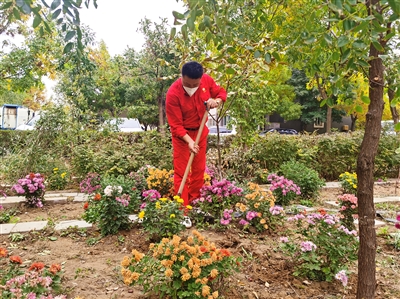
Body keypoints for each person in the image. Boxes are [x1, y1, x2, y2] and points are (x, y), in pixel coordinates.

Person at [166, 61, 227, 207]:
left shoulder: (206, 80)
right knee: (182, 172)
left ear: (201, 79)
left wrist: (216, 101)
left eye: (195, 85)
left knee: (199, 171)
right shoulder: (173, 94)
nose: (191, 88)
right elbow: (176, 126)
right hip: (182, 137)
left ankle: (195, 204)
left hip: (200, 134)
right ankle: (182, 209)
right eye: (188, 84)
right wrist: (189, 142)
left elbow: (221, 92)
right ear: (182, 77)